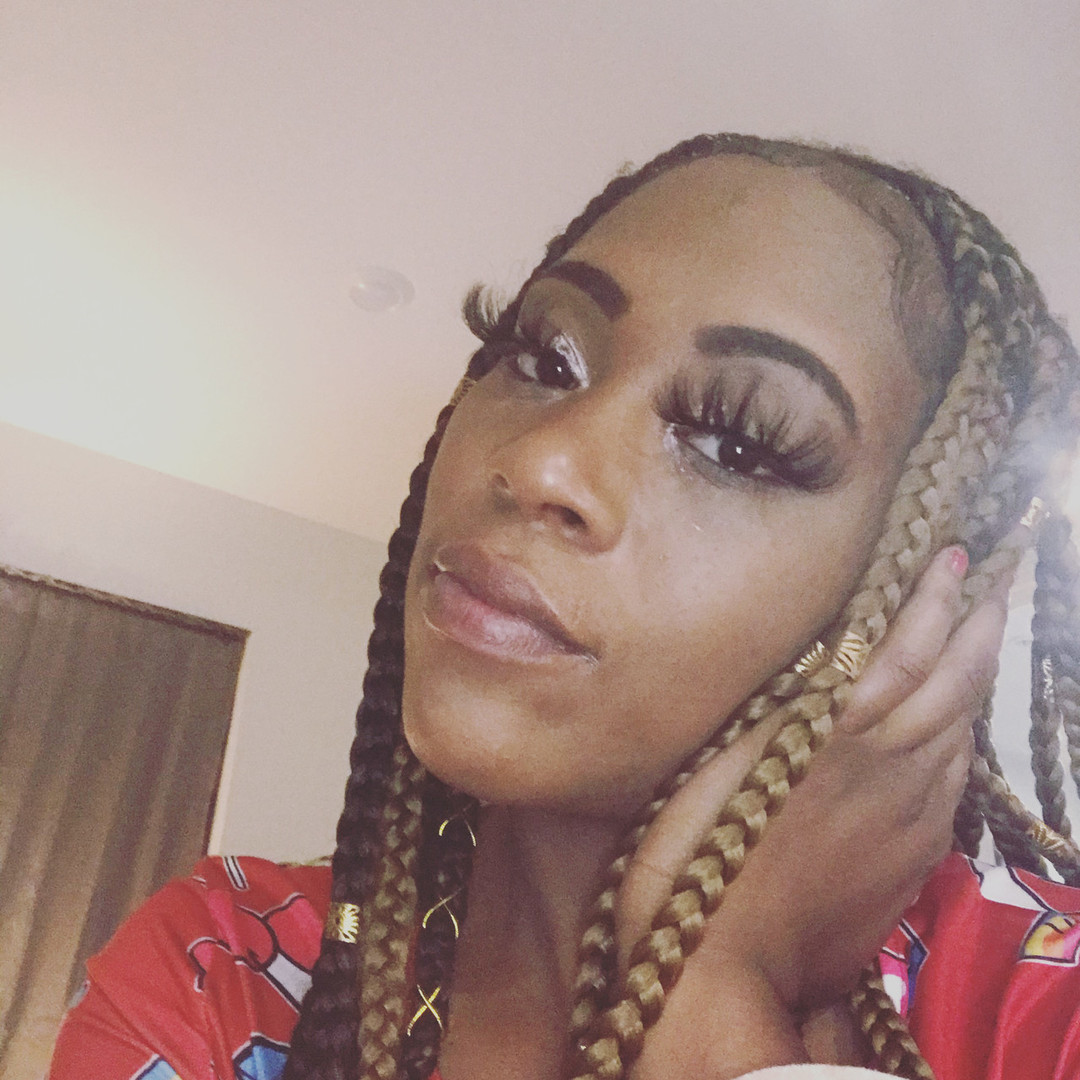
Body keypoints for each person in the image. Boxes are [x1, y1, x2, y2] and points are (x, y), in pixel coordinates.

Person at [49, 134, 1080, 1080]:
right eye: (546, 359)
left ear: (921, 598)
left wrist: (712, 992)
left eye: (735, 441)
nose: (542, 459)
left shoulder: (1045, 1007)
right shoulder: (220, 972)